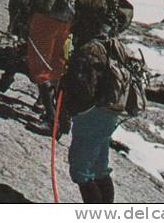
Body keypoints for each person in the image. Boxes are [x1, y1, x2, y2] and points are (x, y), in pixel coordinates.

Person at [8, 0, 75, 131]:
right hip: (65, 20)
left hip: (42, 19)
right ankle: (59, 116)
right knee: (57, 65)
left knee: (39, 65)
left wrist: (17, 22)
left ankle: (51, 119)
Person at [60, 24, 121, 203]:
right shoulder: (108, 44)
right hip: (108, 114)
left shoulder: (88, 50)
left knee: (81, 171)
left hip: (91, 116)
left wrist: (67, 109)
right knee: (99, 168)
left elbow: (84, 90)